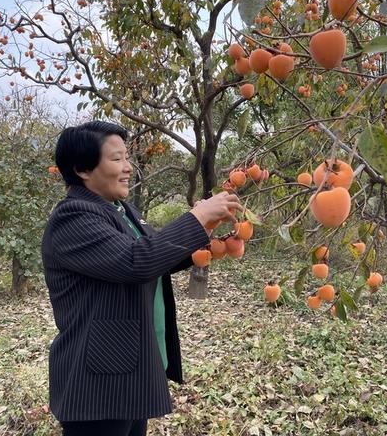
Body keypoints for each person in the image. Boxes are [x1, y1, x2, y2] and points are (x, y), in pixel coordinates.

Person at [41, 121, 242, 435]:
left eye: (126, 157)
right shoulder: (74, 217)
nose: (127, 167)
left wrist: (204, 239)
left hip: (128, 370)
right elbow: (135, 261)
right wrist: (196, 218)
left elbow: (150, 257)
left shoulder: (122, 209)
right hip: (97, 382)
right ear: (82, 168)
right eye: (116, 158)